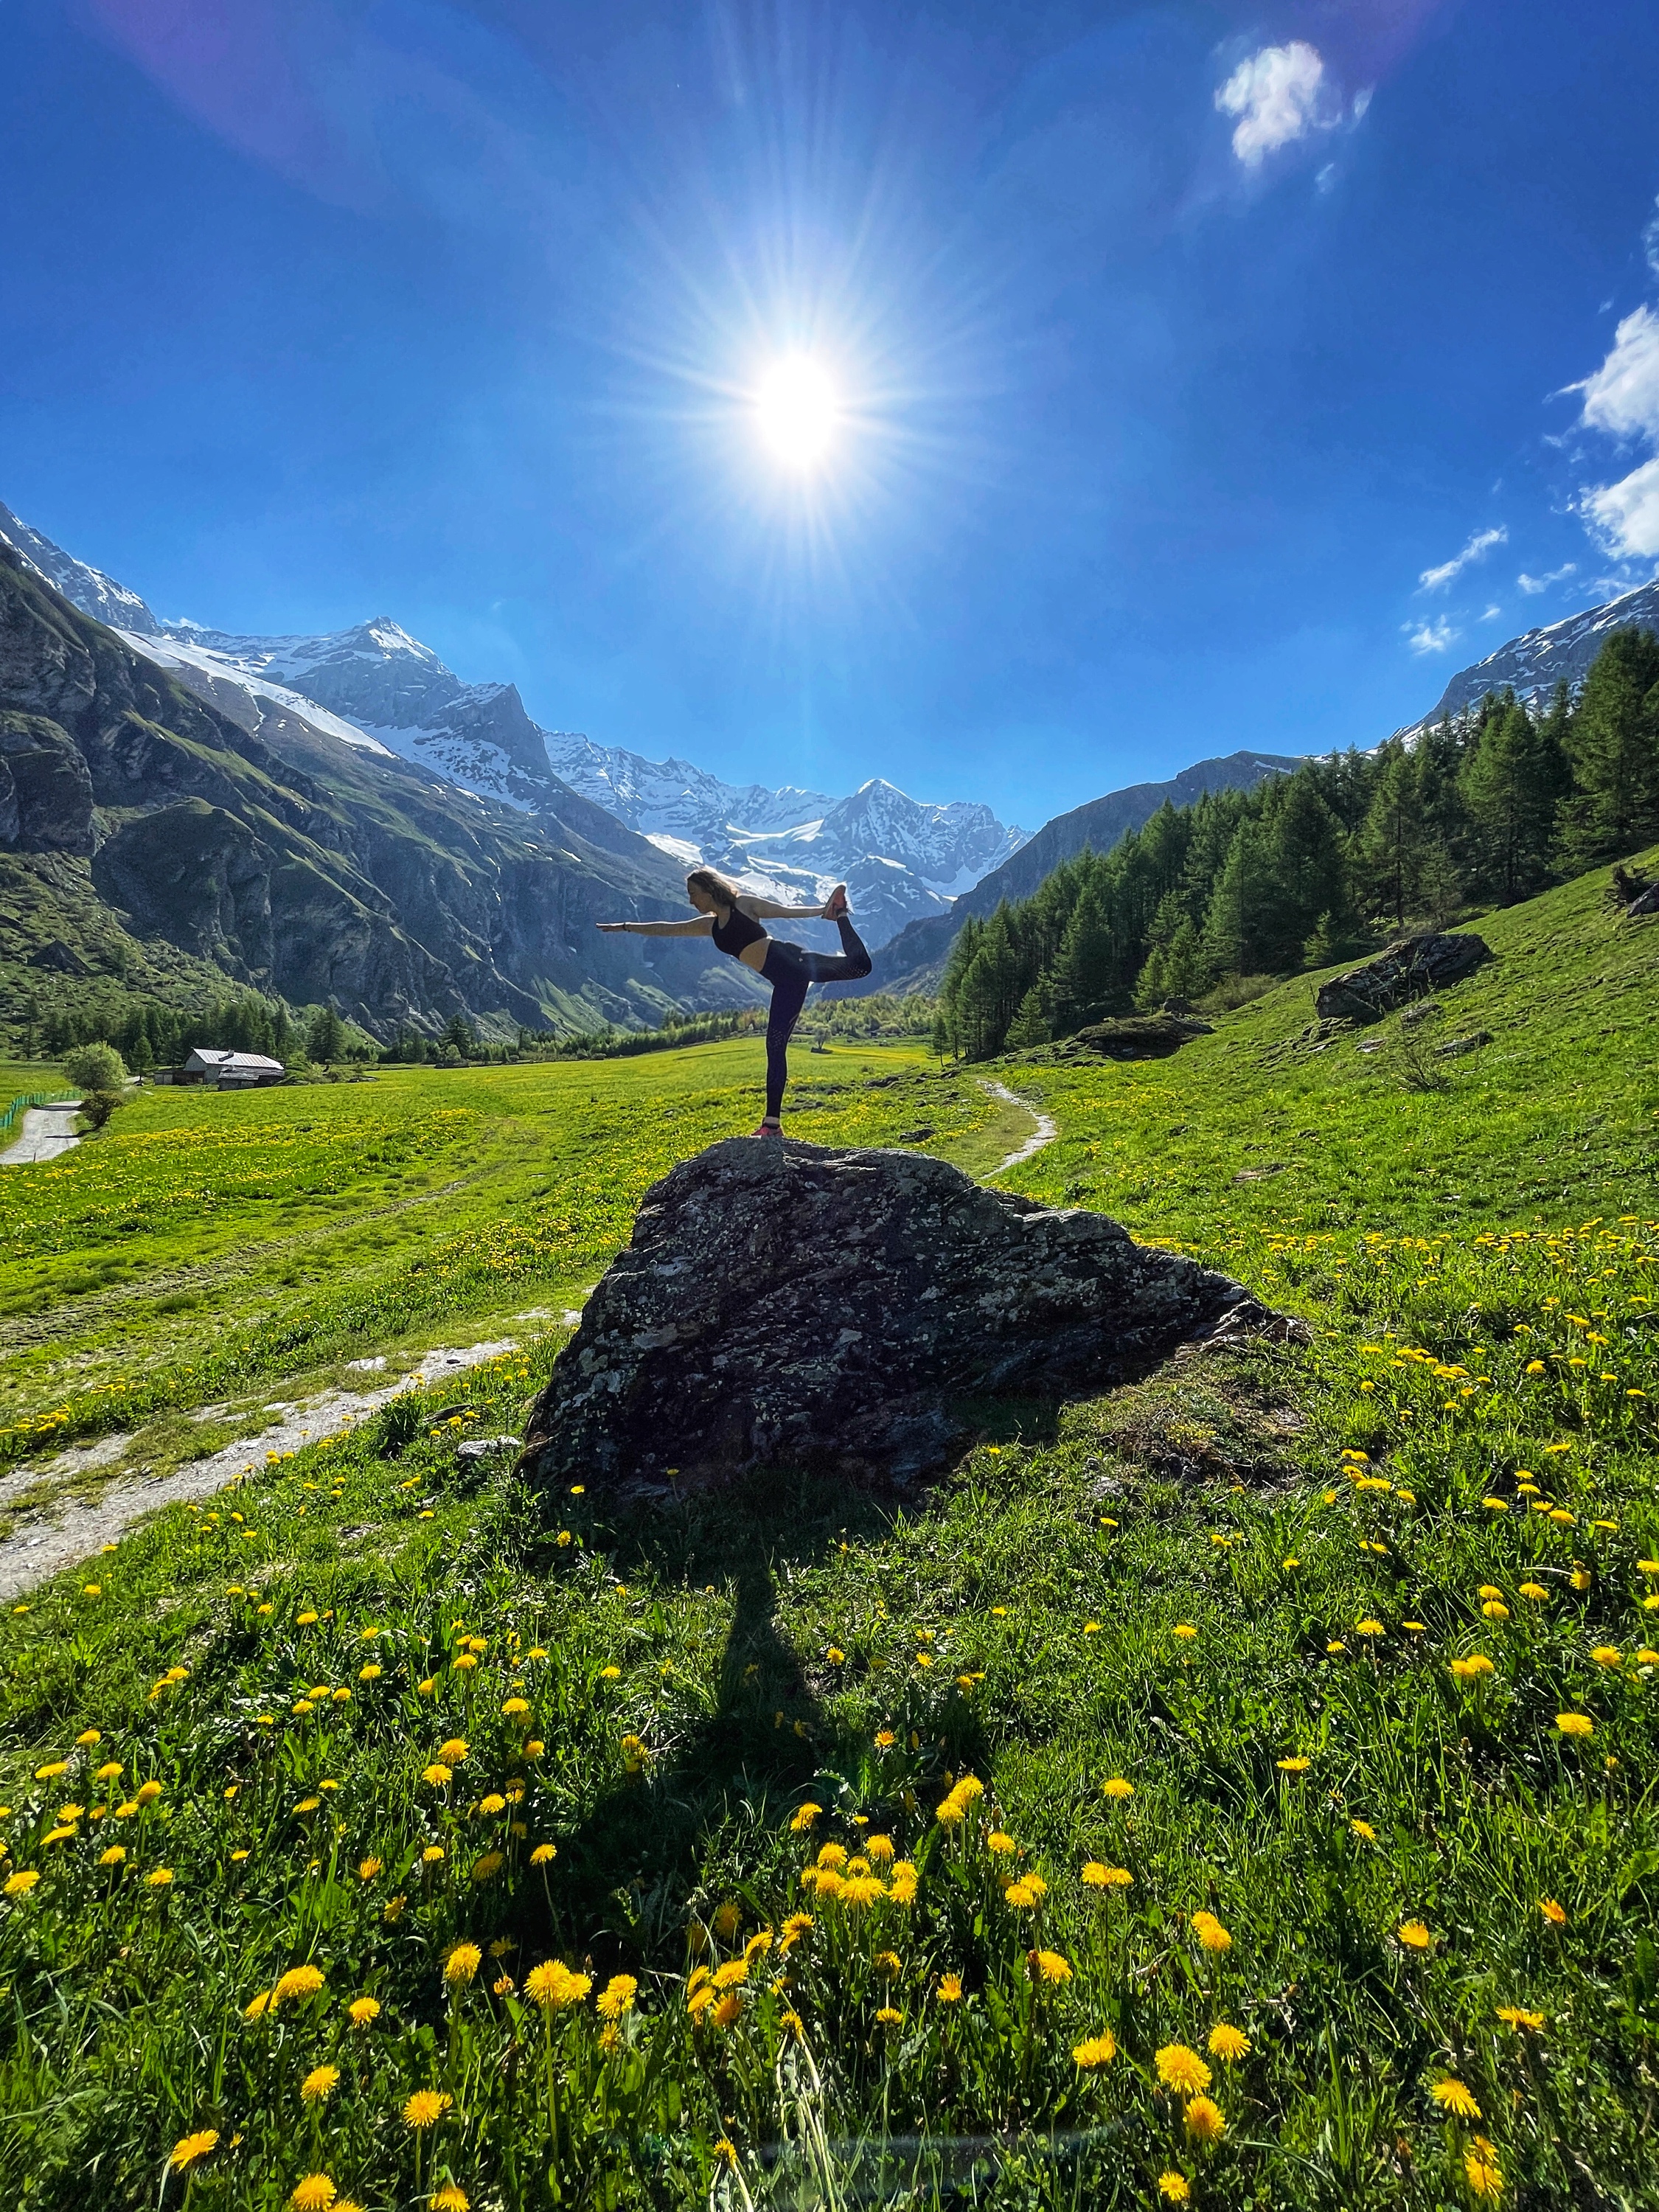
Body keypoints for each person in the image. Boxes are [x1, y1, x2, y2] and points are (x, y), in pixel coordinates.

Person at [597, 869, 872, 1134]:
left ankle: (840, 913)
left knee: (860, 967)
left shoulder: (744, 905)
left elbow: (784, 912)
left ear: (709, 889)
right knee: (775, 1047)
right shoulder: (710, 926)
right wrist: (625, 927)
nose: (691, 900)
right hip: (786, 983)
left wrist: (822, 911)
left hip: (794, 962)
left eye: (694, 893)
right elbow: (668, 929)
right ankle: (772, 1125)